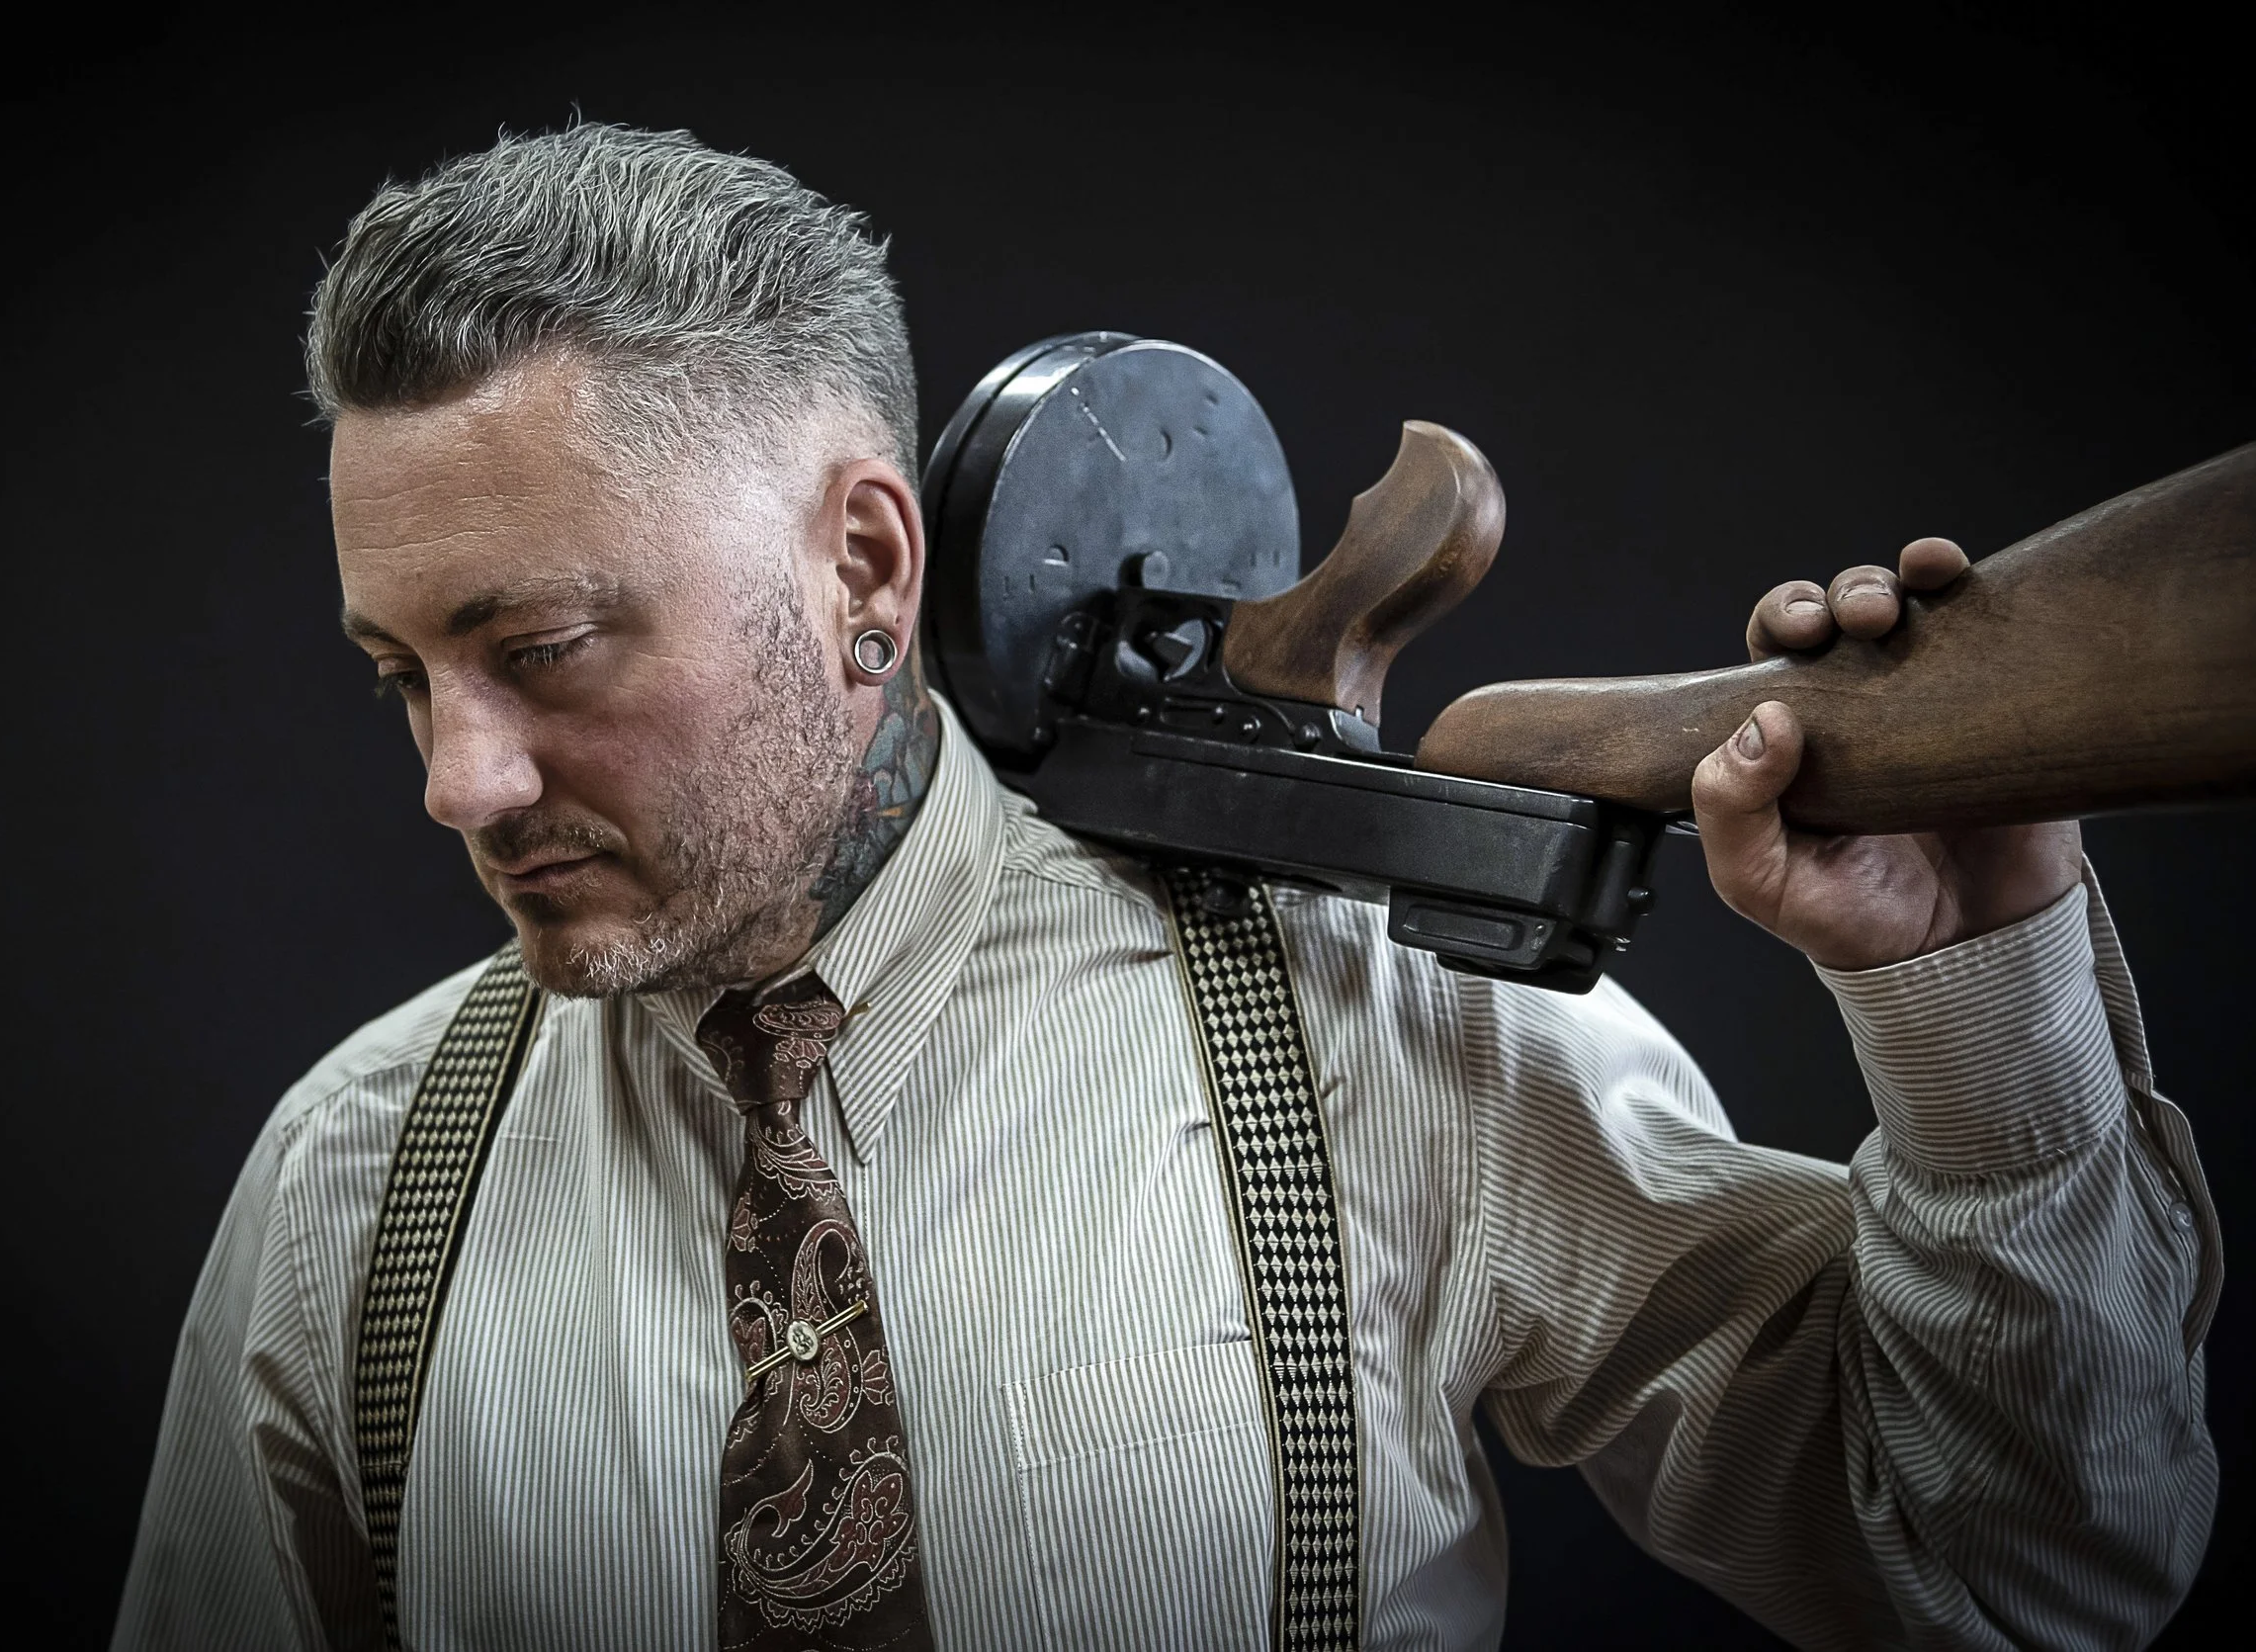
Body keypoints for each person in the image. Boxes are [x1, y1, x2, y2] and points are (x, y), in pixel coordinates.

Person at [114, 125, 2217, 1652]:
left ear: (863, 566)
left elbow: (2020, 1579)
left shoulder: (1364, 1022)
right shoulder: (353, 1176)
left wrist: (1979, 1009)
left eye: (547, 649)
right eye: (401, 675)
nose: (457, 780)